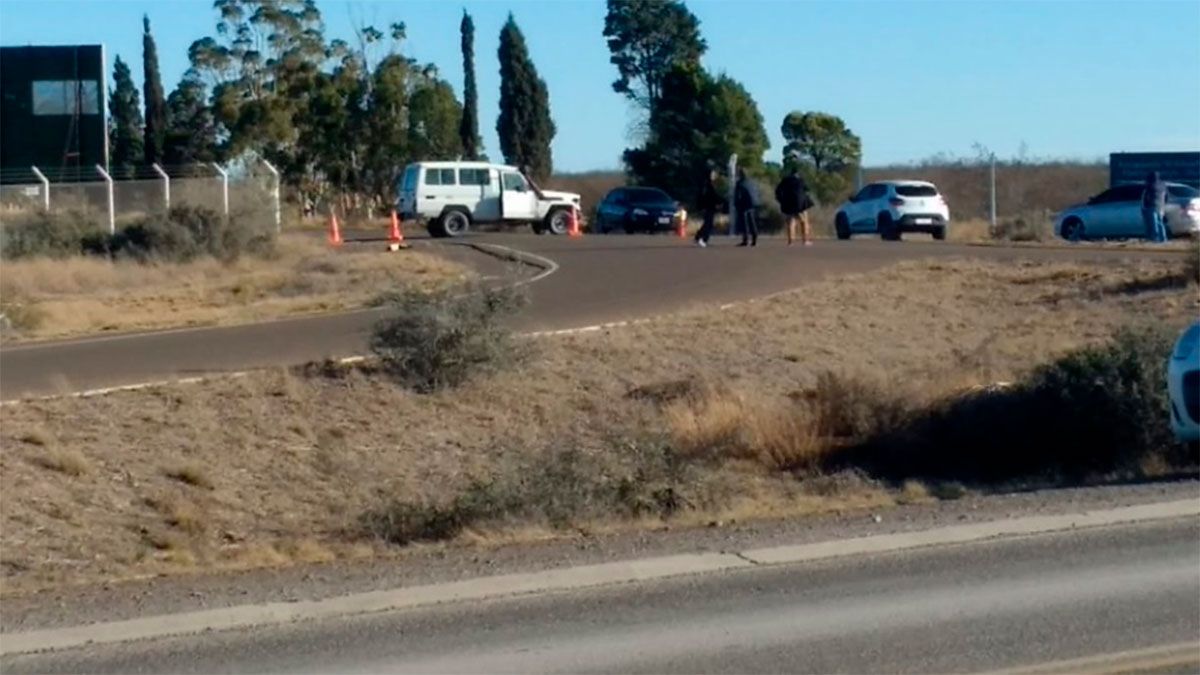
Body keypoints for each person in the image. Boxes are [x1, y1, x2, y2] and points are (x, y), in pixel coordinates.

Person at [775, 167, 814, 246]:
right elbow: (807, 189)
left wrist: (781, 200)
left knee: (791, 222)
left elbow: (777, 190)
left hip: (788, 204)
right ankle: (805, 240)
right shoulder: (801, 180)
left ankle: (791, 241)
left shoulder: (785, 180)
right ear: (797, 173)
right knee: (803, 222)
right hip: (800, 205)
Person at [694, 165, 723, 247]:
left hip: (708, 206)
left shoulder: (706, 184)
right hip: (709, 206)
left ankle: (698, 236)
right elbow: (712, 196)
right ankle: (703, 239)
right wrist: (720, 201)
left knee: (707, 223)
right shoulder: (708, 185)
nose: (714, 176)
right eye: (713, 174)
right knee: (708, 224)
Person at [734, 168, 760, 247]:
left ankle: (745, 240)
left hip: (743, 204)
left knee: (744, 223)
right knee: (752, 221)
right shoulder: (752, 182)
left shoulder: (740, 183)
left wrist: (736, 204)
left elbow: (738, 195)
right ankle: (754, 238)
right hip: (752, 204)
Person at [1141, 171, 1169, 243]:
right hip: (1161, 206)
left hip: (1151, 206)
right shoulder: (1163, 185)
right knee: (1160, 223)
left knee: (1154, 223)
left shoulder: (1149, 185)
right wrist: (1164, 204)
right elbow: (1166, 196)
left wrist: (1145, 206)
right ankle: (1163, 238)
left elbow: (1146, 197)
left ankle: (1155, 238)